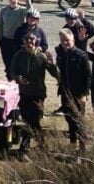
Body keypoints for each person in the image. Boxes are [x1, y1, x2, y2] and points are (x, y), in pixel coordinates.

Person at [10, 31, 58, 161]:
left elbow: (56, 74)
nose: (29, 42)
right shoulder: (19, 55)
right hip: (24, 93)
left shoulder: (41, 56)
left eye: (32, 40)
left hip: (38, 94)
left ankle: (23, 149)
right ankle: (43, 146)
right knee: (29, 121)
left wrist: (52, 64)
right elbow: (12, 70)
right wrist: (17, 78)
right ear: (23, 41)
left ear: (36, 41)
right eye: (27, 40)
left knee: (34, 121)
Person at [54, 28, 92, 148]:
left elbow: (88, 75)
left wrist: (84, 94)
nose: (65, 42)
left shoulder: (81, 55)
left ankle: (82, 147)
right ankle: (72, 143)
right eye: (63, 40)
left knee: (79, 120)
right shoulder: (61, 54)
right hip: (66, 92)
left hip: (78, 93)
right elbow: (59, 72)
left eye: (67, 40)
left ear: (73, 40)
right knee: (69, 119)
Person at [0, 0, 26, 80]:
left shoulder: (22, 10)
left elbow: (30, 11)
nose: (13, 0)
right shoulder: (3, 10)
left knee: (17, 63)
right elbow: (0, 25)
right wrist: (1, 39)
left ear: (18, 0)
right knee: (7, 63)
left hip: (17, 42)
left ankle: (17, 81)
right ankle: (9, 79)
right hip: (6, 41)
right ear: (8, 0)